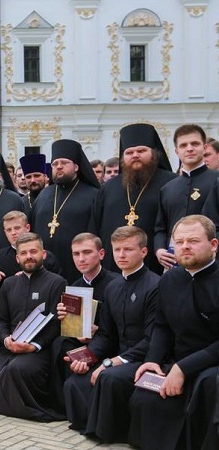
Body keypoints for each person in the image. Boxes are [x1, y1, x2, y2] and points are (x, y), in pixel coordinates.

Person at [129, 215, 219, 450]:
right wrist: (152, 361)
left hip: (212, 364)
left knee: (209, 386)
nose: (185, 247)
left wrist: (183, 368)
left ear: (214, 245)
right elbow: (162, 326)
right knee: (145, 398)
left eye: (193, 241)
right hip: (179, 360)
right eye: (179, 242)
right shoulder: (169, 280)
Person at [63, 226, 159, 443]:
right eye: (117, 250)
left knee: (108, 377)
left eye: (128, 249)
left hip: (144, 358)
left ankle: (110, 433)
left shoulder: (155, 285)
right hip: (118, 356)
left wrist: (111, 362)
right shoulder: (113, 287)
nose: (122, 255)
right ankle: (90, 425)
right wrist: (87, 357)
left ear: (143, 252)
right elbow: (106, 335)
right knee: (75, 381)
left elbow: (152, 338)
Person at [0, 232, 66, 421]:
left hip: (38, 352)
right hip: (9, 349)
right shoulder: (9, 284)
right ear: (17, 257)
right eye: (24, 253)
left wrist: (34, 346)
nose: (29, 256)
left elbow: (56, 324)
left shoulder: (57, 282)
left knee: (15, 370)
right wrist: (6, 339)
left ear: (43, 254)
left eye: (33, 251)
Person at [91, 124, 176, 274]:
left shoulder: (171, 183)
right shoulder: (109, 187)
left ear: (154, 153)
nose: (135, 155)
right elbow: (96, 225)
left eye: (142, 151)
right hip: (113, 265)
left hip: (154, 263)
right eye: (129, 152)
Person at [49, 232, 118, 413]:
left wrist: (97, 331)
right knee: (60, 343)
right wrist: (65, 319)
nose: (81, 259)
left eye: (87, 252)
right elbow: (72, 327)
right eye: (76, 254)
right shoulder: (75, 286)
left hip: (110, 345)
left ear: (101, 254)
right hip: (82, 341)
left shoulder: (116, 283)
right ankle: (62, 404)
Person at [31, 139, 100, 283]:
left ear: (76, 166)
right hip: (45, 267)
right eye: (55, 164)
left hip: (77, 265)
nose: (59, 167)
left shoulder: (93, 195)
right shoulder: (44, 194)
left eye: (64, 163)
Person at [155, 125, 218, 270]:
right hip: (176, 265)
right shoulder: (167, 188)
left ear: (205, 147)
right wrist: (159, 250)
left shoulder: (216, 180)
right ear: (177, 151)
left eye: (195, 144)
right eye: (183, 145)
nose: (189, 148)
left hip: (212, 265)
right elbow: (160, 227)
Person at [0, 211, 62, 283]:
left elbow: (57, 284)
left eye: (17, 228)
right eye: (9, 230)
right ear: (5, 232)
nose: (13, 233)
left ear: (27, 228)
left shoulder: (45, 257)